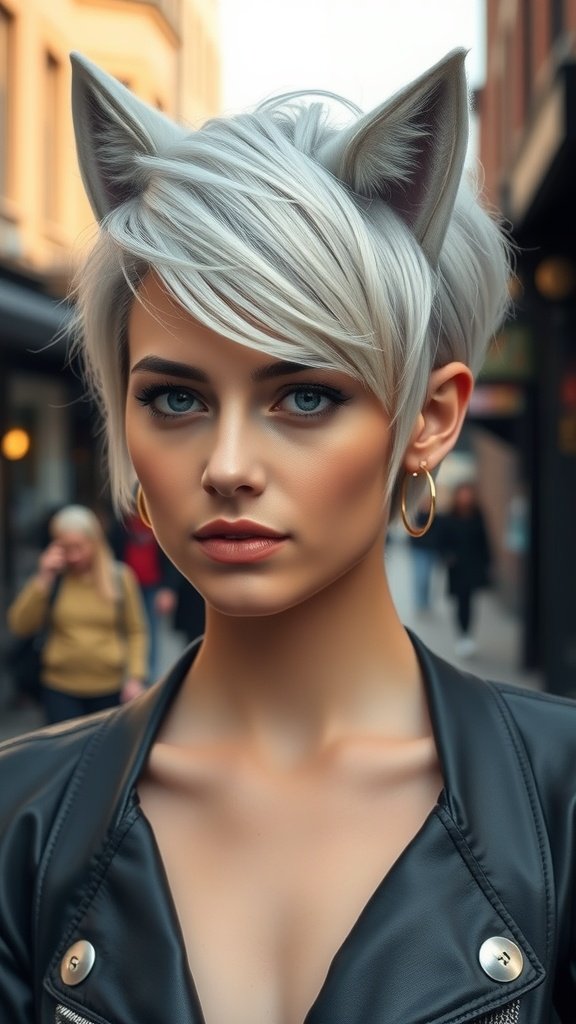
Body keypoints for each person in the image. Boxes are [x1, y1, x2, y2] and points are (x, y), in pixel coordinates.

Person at [0, 49, 575, 1024]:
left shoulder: (558, 808)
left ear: (429, 419)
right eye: (175, 397)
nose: (227, 463)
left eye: (305, 395)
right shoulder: (24, 821)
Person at [7, 504, 148, 723]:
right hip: (60, 687)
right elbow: (19, 625)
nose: (73, 556)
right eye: (66, 548)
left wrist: (135, 677)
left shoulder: (120, 578)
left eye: (79, 547)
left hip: (109, 687)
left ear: (95, 542)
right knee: (66, 755)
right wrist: (43, 579)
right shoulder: (54, 580)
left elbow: (136, 631)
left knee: (103, 755)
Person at [110, 505, 177, 680]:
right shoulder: (121, 524)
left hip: (153, 586)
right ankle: (129, 674)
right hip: (125, 585)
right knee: (127, 629)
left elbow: (172, 557)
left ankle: (150, 677)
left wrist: (168, 589)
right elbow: (113, 554)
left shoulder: (160, 522)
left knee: (151, 631)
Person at [440, 481, 492, 657]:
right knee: (461, 601)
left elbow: (484, 541)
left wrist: (487, 563)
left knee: (470, 601)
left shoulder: (477, 516)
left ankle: (467, 635)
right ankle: (462, 636)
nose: (465, 497)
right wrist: (447, 556)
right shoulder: (449, 517)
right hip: (457, 568)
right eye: (462, 493)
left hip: (473, 566)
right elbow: (441, 542)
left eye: (468, 493)